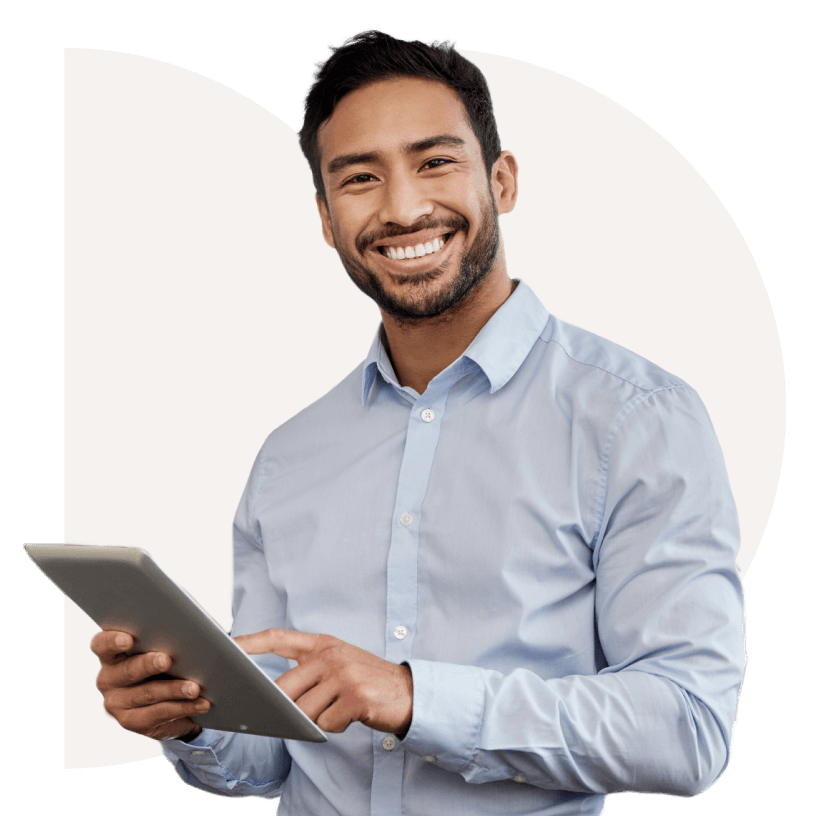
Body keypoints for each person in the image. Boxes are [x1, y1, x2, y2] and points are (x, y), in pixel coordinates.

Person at [91, 32, 746, 814]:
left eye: (435, 162)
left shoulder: (638, 420)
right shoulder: (289, 457)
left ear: (501, 180)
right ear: (327, 219)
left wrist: (414, 697)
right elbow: (269, 758)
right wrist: (190, 719)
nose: (402, 209)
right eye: (360, 178)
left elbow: (688, 731)